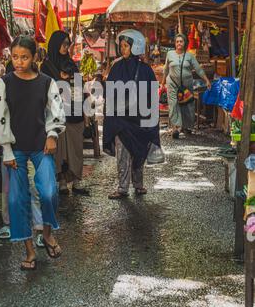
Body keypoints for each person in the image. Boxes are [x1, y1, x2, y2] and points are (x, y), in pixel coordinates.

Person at [0, 34, 66, 270]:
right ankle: (30, 251)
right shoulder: (5, 82)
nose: (19, 62)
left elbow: (56, 111)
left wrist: (52, 135)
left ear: (34, 57)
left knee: (48, 192)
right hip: (15, 149)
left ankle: (48, 234)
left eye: (24, 57)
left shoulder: (46, 82)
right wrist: (5, 151)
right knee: (16, 199)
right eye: (15, 57)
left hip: (41, 145)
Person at [103, 29, 160, 200]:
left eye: (126, 46)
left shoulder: (145, 70)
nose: (123, 49)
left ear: (136, 47)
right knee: (123, 153)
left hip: (139, 119)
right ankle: (122, 187)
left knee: (139, 151)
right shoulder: (117, 67)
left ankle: (138, 184)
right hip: (121, 120)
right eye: (121, 46)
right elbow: (109, 91)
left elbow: (151, 95)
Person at [41, 30, 89, 196]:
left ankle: (76, 181)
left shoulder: (71, 63)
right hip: (56, 114)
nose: (65, 47)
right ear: (55, 44)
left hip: (74, 113)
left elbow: (79, 86)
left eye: (68, 44)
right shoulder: (46, 66)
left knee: (76, 148)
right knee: (60, 150)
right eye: (63, 44)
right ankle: (61, 182)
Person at [161, 33, 211, 139]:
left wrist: (206, 80)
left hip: (186, 84)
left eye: (181, 41)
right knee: (173, 104)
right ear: (175, 43)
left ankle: (187, 126)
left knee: (187, 105)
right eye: (177, 41)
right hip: (172, 84)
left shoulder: (189, 56)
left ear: (184, 43)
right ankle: (176, 127)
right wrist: (162, 83)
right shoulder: (170, 54)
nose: (179, 43)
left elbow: (198, 68)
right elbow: (165, 69)